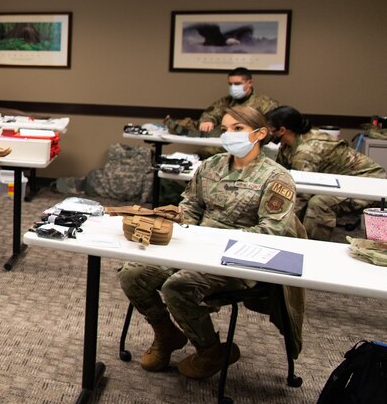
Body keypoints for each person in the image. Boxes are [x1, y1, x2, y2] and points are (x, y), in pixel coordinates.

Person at [119, 105, 306, 380]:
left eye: (238, 129)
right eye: (225, 129)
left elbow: (273, 230)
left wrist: (216, 241)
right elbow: (192, 207)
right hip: (196, 249)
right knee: (132, 274)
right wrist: (171, 219)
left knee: (178, 286)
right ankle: (166, 333)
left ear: (260, 134)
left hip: (241, 259)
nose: (229, 135)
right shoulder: (211, 166)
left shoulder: (276, 177)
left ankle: (210, 350)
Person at [266, 105, 386, 241]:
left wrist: (277, 221)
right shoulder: (289, 144)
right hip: (342, 181)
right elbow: (283, 177)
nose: (267, 131)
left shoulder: (307, 150)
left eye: (269, 127)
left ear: (282, 130)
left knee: (319, 204)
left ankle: (312, 246)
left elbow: (301, 194)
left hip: (370, 181)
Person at [198, 67, 278, 134]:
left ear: (249, 83)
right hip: (223, 143)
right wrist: (207, 121)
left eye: (237, 84)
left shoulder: (266, 103)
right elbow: (210, 113)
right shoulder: (225, 101)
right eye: (230, 84)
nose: (233, 87)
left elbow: (273, 126)